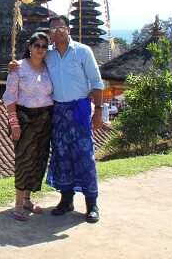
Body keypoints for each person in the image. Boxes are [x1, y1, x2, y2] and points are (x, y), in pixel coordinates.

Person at [10, 15, 105, 223]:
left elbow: (97, 83)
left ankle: (91, 203)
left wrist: (98, 110)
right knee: (61, 155)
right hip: (58, 111)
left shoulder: (83, 51)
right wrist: (14, 65)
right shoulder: (49, 55)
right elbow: (30, 61)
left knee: (84, 155)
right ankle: (66, 199)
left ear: (68, 29)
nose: (57, 31)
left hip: (79, 107)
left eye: (61, 27)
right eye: (53, 28)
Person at [2, 32, 54, 221]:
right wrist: (14, 124)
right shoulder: (18, 68)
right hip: (24, 118)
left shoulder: (49, 68)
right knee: (24, 159)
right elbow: (9, 97)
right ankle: (17, 205)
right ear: (30, 47)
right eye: (37, 45)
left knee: (39, 160)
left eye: (44, 46)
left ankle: (27, 199)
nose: (40, 49)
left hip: (46, 118)